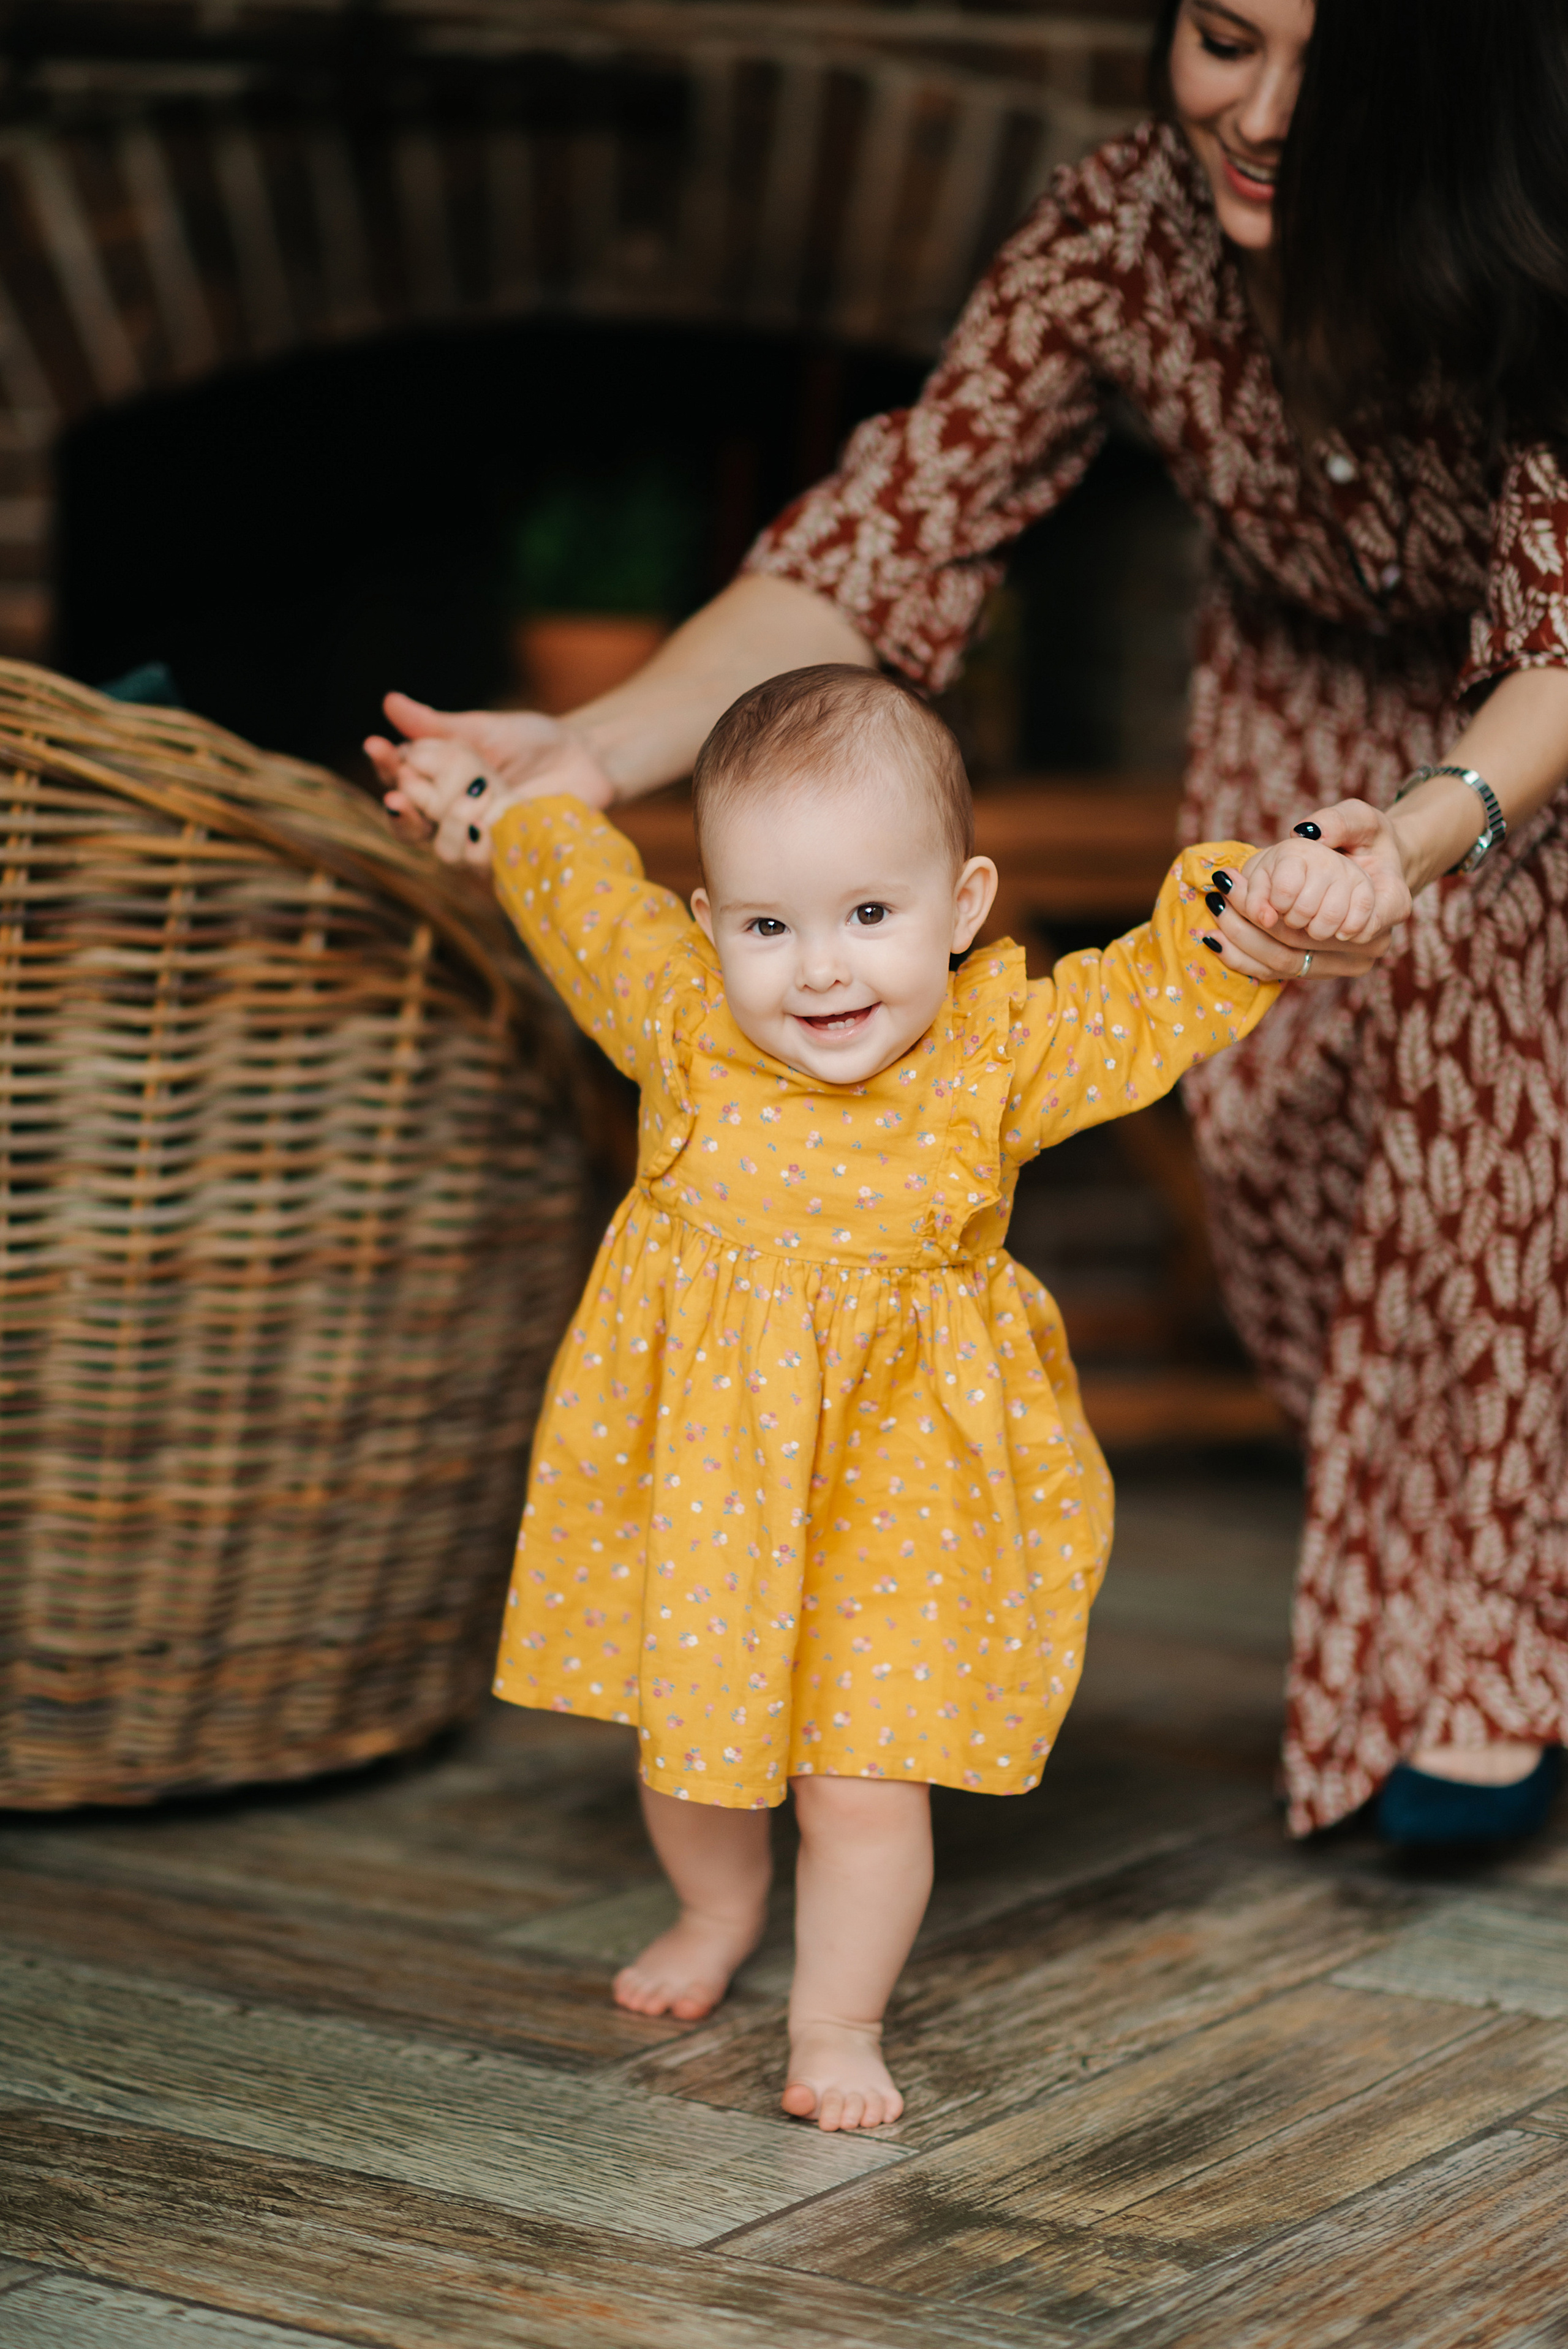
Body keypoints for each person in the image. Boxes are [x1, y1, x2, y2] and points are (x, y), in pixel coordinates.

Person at [372, 0, 1568, 1846]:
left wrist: (1418, 843)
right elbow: (884, 542)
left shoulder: (1535, 230)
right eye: (1220, 37)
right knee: (1290, 1165)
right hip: (1296, 702)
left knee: (1499, 1173)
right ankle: (1457, 1614)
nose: (1253, 113)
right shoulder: (1120, 230)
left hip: (1514, 739)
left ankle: (1481, 1668)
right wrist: (587, 753)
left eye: (1321, 72)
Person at [391, 663, 1384, 2126]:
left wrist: (1256, 911)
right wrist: (498, 807)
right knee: (698, 1738)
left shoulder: (997, 1056)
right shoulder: (677, 1018)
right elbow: (570, 889)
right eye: (769, 926)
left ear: (965, 904)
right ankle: (716, 1910)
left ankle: (839, 2018)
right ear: (707, 926)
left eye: (870, 914)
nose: (821, 971)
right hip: (714, 1480)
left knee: (861, 1778)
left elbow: (1149, 992)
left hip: (899, 1491)